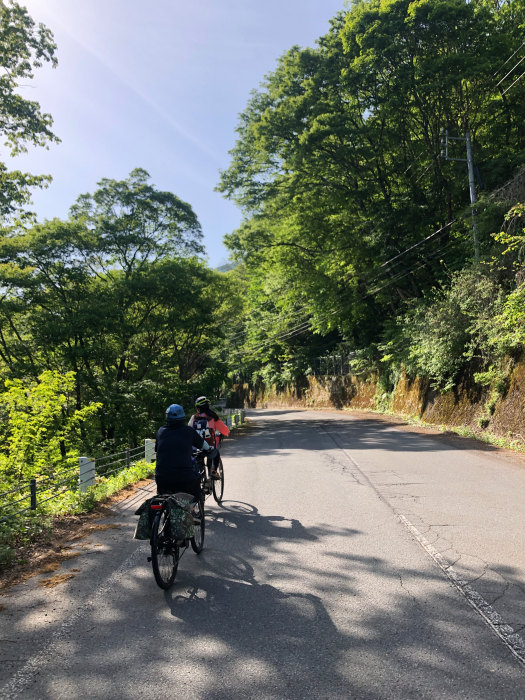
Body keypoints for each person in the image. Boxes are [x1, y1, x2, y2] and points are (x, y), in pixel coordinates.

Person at [155, 403, 216, 501]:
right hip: (184, 478)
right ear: (183, 417)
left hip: (161, 478)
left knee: (163, 499)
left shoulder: (160, 431)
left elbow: (157, 448)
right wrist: (209, 449)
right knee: (196, 495)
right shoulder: (189, 431)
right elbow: (203, 445)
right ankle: (195, 513)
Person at [187, 396, 230, 478]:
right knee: (214, 452)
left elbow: (189, 430)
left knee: (198, 458)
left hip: (195, 446)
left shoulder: (194, 418)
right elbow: (225, 431)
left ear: (197, 408)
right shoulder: (213, 417)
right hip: (208, 445)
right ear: (208, 406)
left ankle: (199, 476)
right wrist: (223, 434)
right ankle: (213, 471)